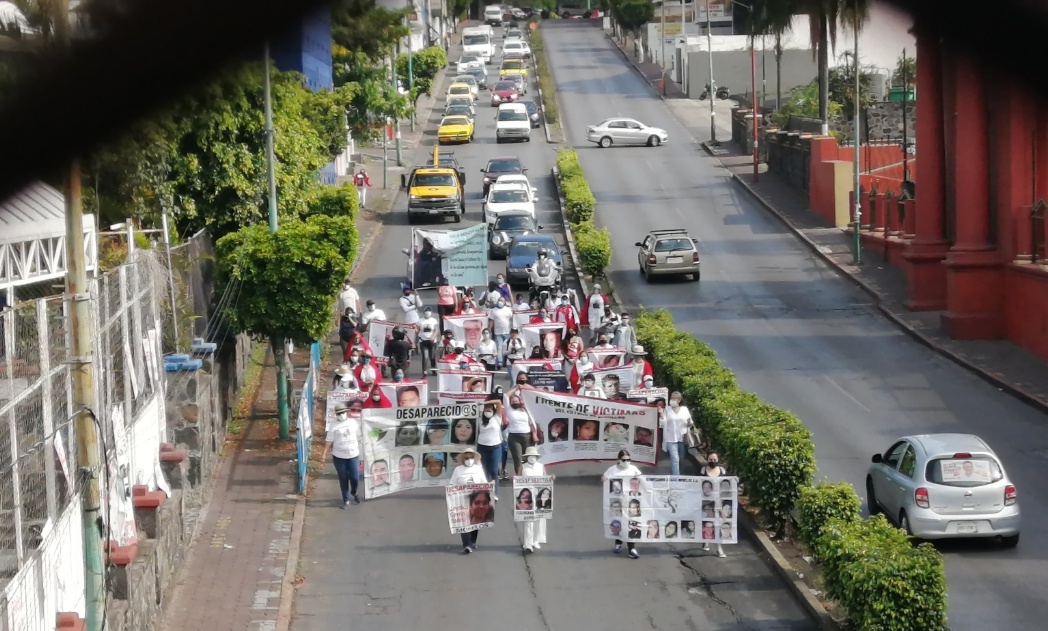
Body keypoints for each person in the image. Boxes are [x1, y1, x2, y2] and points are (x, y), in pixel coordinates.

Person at [602, 449, 644, 558]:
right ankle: (618, 543)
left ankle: (632, 549)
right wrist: (606, 479)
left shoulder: (634, 469)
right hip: (617, 502)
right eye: (624, 460)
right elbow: (603, 478)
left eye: (629, 459)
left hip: (631, 502)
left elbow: (642, 480)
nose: (627, 462)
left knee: (631, 523)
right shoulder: (612, 470)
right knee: (619, 522)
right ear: (619, 460)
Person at [449, 447, 489, 553]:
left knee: (475, 521)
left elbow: (484, 483)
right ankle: (466, 544)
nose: (469, 459)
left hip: (476, 500)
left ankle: (472, 541)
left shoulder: (478, 469)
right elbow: (452, 485)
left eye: (471, 457)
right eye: (467, 457)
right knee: (464, 522)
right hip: (462, 500)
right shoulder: (458, 470)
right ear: (463, 459)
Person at [323, 403, 361, 507]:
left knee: (354, 477)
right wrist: (324, 454)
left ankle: (354, 491)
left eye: (343, 412)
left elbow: (360, 436)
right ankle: (346, 500)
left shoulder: (353, 423)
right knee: (343, 478)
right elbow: (329, 440)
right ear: (336, 414)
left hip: (353, 455)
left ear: (347, 412)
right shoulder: (333, 425)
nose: (341, 415)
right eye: (339, 413)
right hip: (339, 457)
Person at [520, 446, 552, 553]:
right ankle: (527, 543)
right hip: (527, 497)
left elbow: (546, 478)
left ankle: (535, 540)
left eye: (534, 456)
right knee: (528, 519)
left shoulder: (541, 466)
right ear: (526, 457)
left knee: (539, 518)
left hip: (539, 496)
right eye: (530, 456)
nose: (532, 458)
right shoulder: (523, 467)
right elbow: (517, 480)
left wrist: (551, 478)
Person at [476, 399, 505, 501]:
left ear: (493, 410)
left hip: (495, 447)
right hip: (482, 447)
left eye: (490, 408)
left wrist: (485, 402)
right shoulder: (480, 420)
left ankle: (495, 493)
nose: (488, 410)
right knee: (484, 471)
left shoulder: (497, 418)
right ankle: (486, 492)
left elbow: (498, 402)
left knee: (493, 471)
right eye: (486, 408)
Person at [700, 452, 727, 558]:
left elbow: (727, 485)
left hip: (718, 503)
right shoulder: (703, 470)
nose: (713, 462)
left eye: (715, 460)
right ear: (707, 460)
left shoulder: (723, 471)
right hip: (706, 503)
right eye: (710, 460)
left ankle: (719, 548)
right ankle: (706, 540)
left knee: (718, 524)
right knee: (707, 523)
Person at [661, 391, 694, 476]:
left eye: (674, 398)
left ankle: (681, 472)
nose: (671, 400)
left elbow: (690, 423)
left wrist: (690, 422)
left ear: (679, 400)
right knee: (675, 458)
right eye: (671, 398)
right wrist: (661, 414)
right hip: (670, 438)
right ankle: (676, 478)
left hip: (682, 438)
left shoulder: (684, 409)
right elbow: (662, 423)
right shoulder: (667, 409)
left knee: (681, 458)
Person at [504, 391, 535, 475]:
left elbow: (532, 422)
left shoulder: (526, 409)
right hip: (514, 437)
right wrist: (517, 387)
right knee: (517, 458)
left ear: (520, 401)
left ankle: (528, 474)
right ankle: (519, 477)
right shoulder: (509, 409)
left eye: (516, 401)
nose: (514, 402)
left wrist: (534, 435)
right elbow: (506, 396)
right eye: (513, 401)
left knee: (528, 457)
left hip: (527, 436)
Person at [490, 298, 514, 367]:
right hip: (498, 333)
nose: (500, 302)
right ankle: (500, 362)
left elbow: (513, 319)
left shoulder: (508, 310)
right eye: (499, 300)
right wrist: (489, 329)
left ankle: (507, 361)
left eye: (502, 301)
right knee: (499, 348)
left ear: (504, 302)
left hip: (507, 332)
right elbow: (491, 321)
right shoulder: (494, 310)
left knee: (507, 348)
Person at [417, 307, 439, 375]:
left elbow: (436, 330)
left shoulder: (433, 320)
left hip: (432, 341)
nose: (427, 312)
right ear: (424, 312)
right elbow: (417, 330)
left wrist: (433, 337)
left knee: (432, 356)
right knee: (425, 357)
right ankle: (424, 371)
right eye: (426, 311)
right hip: (423, 341)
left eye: (429, 311)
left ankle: (433, 370)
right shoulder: (420, 321)